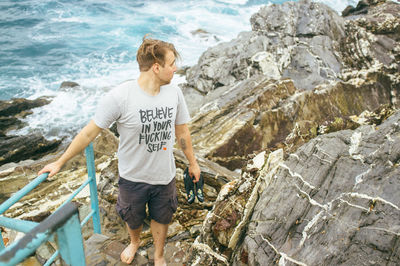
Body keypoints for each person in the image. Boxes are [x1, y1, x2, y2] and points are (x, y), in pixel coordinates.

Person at [38, 36, 201, 266]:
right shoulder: (120, 97)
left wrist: (193, 163)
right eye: (171, 63)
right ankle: (134, 242)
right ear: (156, 68)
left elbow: (182, 133)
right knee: (132, 218)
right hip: (132, 178)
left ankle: (159, 255)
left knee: (162, 216)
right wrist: (60, 161)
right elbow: (88, 133)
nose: (176, 68)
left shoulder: (174, 94)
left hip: (164, 176)